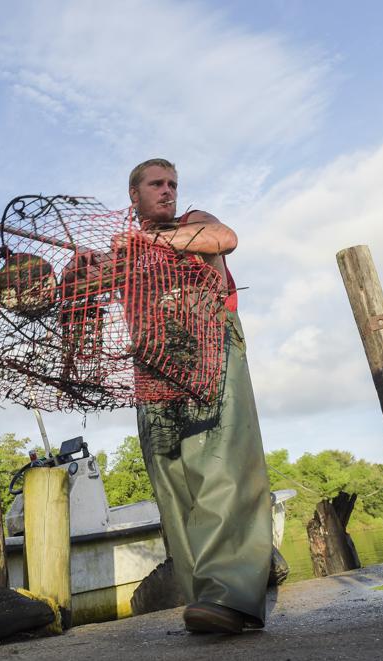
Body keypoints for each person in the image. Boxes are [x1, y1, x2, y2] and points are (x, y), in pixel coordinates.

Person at [125, 158, 273, 634]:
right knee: (171, 472)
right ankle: (205, 599)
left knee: (220, 460)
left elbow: (224, 239)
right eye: (156, 184)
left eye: (172, 184)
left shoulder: (195, 223)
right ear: (135, 196)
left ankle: (231, 593)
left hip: (209, 340)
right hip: (152, 356)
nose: (167, 191)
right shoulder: (125, 249)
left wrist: (148, 241)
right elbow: (85, 286)